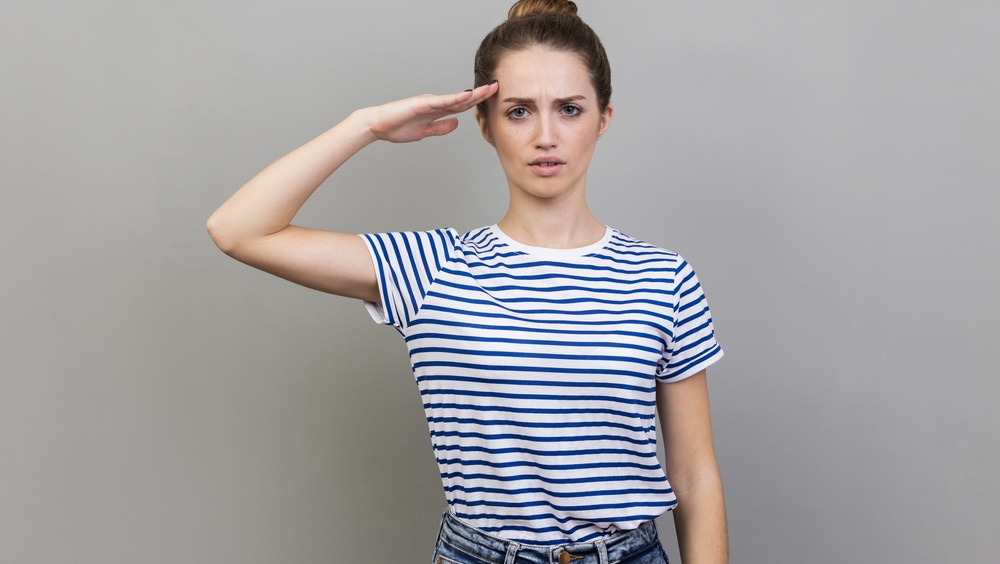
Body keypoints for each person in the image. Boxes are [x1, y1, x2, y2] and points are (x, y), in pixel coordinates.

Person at [207, 0, 728, 562]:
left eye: (570, 109)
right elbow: (238, 230)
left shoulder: (663, 278)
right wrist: (367, 126)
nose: (546, 136)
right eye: (519, 111)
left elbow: (695, 476)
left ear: (603, 118)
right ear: (485, 124)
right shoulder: (430, 268)